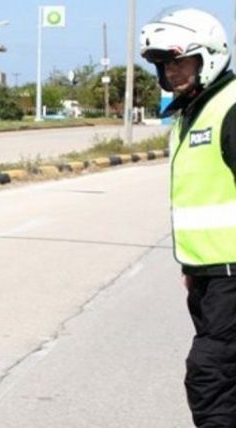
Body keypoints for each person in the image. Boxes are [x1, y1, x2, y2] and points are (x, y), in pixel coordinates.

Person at [140, 8, 236, 427]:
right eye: (163, 64)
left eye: (179, 61)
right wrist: (195, 266)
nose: (170, 72)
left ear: (209, 56)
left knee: (210, 378)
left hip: (233, 278)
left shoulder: (229, 109)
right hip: (209, 275)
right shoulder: (194, 109)